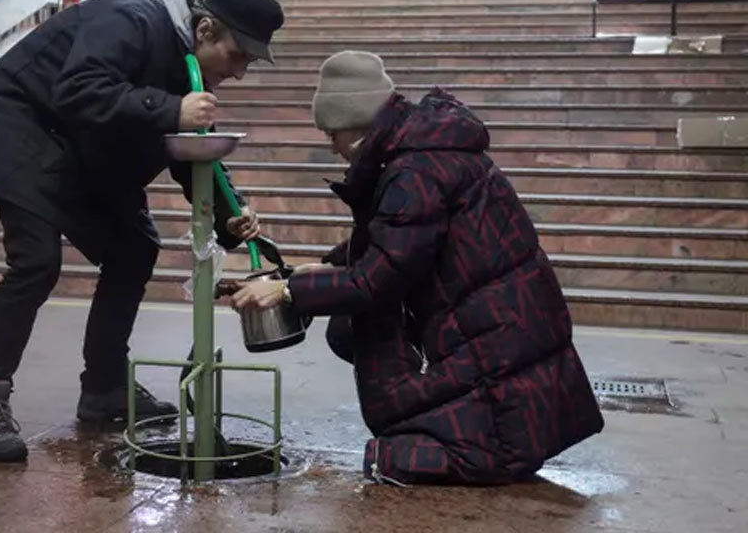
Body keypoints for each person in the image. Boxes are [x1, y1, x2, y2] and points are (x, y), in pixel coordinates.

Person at [233, 51, 604, 485]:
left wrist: (287, 292)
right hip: (508, 318)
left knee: (417, 445)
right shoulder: (422, 151)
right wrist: (327, 266)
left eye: (332, 134)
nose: (331, 147)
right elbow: (402, 233)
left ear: (355, 126)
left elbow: (379, 278)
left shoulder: (415, 170)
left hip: (495, 328)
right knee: (364, 344)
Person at [0, 0, 284, 462]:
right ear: (205, 30)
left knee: (133, 249)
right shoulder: (129, 20)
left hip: (82, 147)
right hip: (20, 126)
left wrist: (229, 216)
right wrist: (170, 108)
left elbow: (191, 149)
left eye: (249, 63)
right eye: (237, 56)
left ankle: (105, 388)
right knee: (36, 260)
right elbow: (78, 90)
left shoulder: (189, 69)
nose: (238, 73)